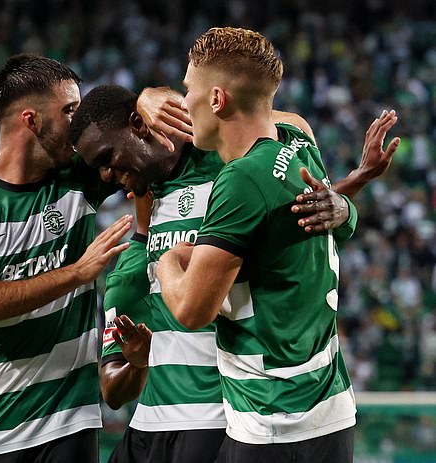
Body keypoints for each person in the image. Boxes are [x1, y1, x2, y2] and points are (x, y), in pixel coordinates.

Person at [69, 84, 398, 462]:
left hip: (224, 419)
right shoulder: (137, 239)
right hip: (149, 427)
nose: (109, 177)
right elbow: (113, 391)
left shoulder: (229, 165)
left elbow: (282, 145)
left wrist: (344, 203)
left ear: (140, 126)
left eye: (109, 159)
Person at [156, 27, 401, 463]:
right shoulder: (299, 144)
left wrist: (166, 259)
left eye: (187, 89)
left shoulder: (242, 179)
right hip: (331, 412)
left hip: (271, 423)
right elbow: (320, 222)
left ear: (216, 99)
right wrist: (352, 195)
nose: (182, 101)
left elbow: (192, 311)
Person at [0, 54, 135, 463]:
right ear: (32, 121)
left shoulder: (80, 178)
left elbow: (175, 135)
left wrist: (156, 100)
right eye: (70, 110)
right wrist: (76, 273)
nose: (82, 120)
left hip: (67, 419)